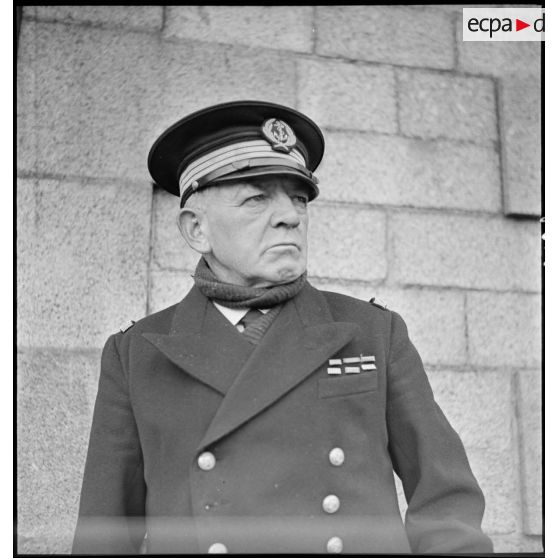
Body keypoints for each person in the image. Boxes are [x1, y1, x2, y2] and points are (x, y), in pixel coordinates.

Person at [72, 100, 493, 554]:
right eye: (256, 198)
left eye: (297, 199)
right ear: (197, 230)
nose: (291, 215)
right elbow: (106, 535)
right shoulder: (136, 355)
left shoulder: (373, 332)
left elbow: (447, 499)